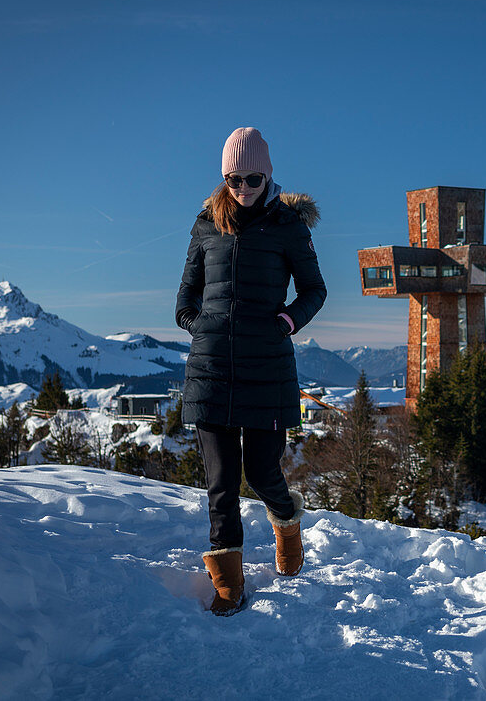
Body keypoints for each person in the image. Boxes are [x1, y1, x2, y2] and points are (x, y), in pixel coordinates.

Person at [175, 127, 326, 615]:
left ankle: (288, 528)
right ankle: (228, 586)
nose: (243, 187)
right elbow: (185, 297)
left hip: (267, 367)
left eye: (253, 177)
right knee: (221, 484)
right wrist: (201, 326)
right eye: (234, 178)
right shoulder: (205, 224)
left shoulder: (288, 225)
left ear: (269, 174)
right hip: (212, 368)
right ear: (224, 177)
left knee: (262, 473)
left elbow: (314, 290)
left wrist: (287, 321)